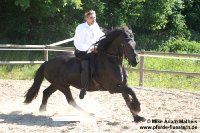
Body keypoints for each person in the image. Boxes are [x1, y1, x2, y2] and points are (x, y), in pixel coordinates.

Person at [74, 10, 105, 99]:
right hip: (82, 52)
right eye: (91, 18)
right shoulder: (80, 28)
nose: (93, 19)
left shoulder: (96, 26)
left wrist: (98, 46)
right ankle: (83, 88)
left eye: (94, 17)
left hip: (95, 50)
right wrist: (90, 49)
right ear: (86, 18)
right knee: (86, 65)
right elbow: (78, 42)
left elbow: (101, 36)